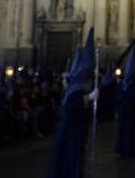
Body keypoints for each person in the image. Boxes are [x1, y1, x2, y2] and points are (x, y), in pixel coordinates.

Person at [46, 28, 96, 178]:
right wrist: (90, 98)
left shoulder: (76, 88)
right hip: (71, 131)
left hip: (75, 129)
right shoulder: (76, 90)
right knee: (70, 157)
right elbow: (71, 105)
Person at [115, 47, 135, 158]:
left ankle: (130, 150)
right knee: (125, 132)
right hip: (125, 113)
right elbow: (117, 98)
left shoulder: (132, 85)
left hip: (129, 113)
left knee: (130, 133)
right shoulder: (123, 85)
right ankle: (125, 150)